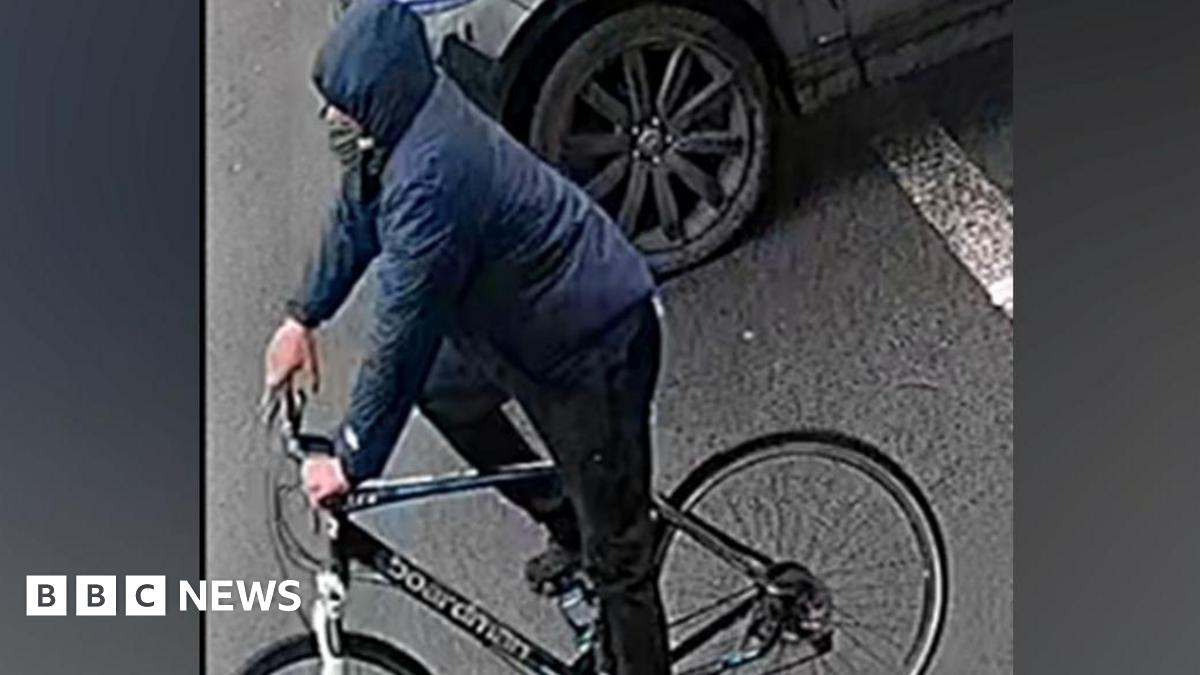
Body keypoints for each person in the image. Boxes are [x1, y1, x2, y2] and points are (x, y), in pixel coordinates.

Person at [261, 2, 667, 673]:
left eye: (343, 107)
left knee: (622, 561)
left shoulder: (432, 178)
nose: (332, 118)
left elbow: (404, 327)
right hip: (524, 331)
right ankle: (567, 519)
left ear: (379, 99)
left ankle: (606, 564)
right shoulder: (401, 126)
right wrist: (302, 316)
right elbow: (356, 214)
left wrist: (351, 459)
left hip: (594, 345)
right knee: (446, 390)